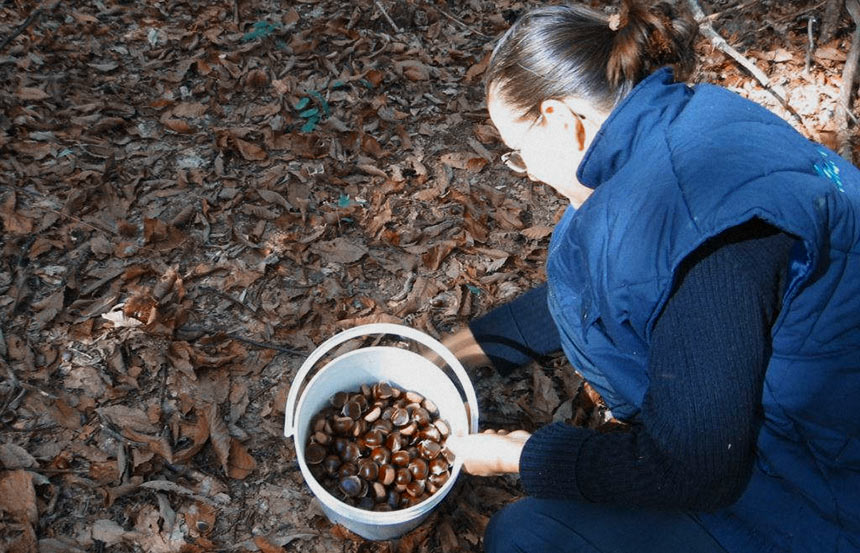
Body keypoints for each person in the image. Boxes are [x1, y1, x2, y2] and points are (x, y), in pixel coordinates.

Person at [441, 1, 860, 552]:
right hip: (813, 437)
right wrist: (455, 351)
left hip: (821, 486)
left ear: (560, 121)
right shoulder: (688, 121)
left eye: (518, 154)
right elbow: (628, 280)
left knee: (527, 537)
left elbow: (698, 470)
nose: (528, 172)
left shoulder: (710, 236)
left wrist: (520, 453)